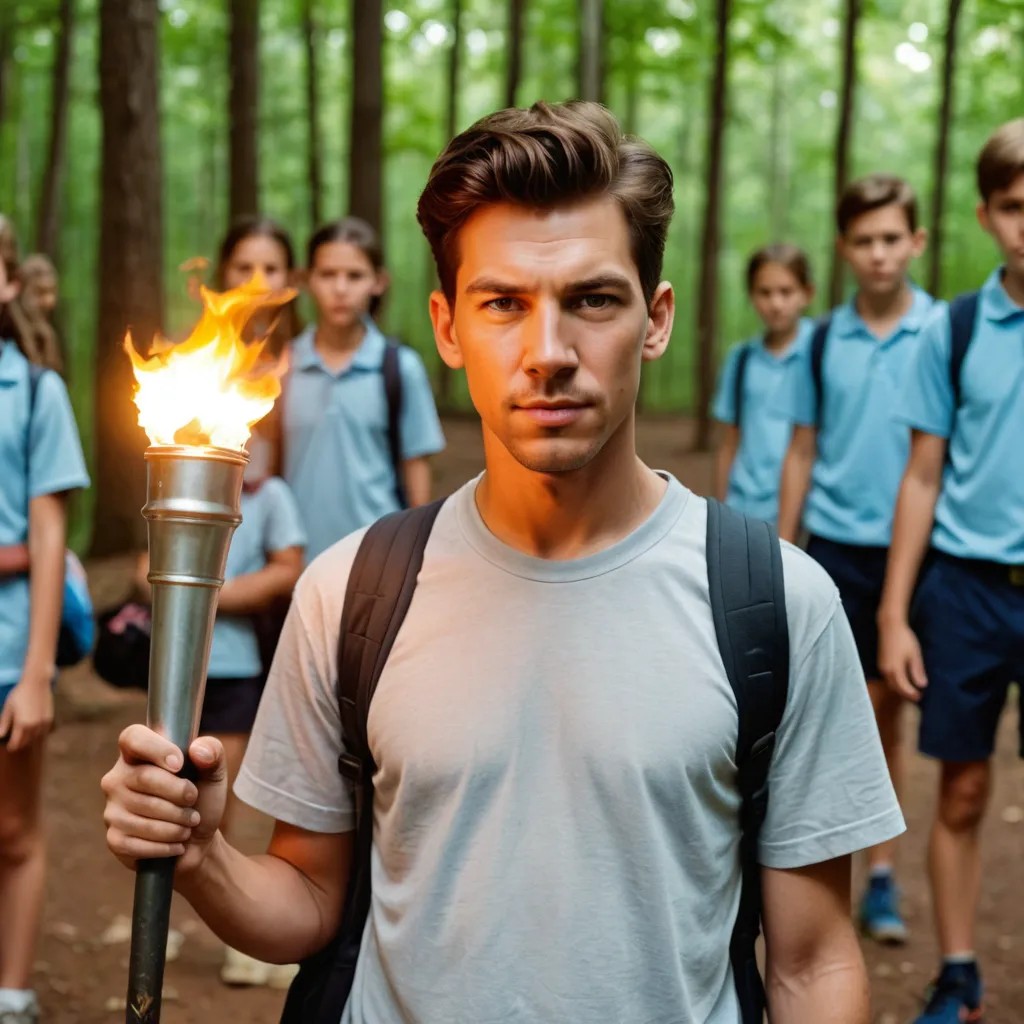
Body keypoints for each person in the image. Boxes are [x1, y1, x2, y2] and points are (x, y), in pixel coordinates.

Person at [102, 102, 904, 1024]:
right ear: (448, 328)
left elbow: (811, 965)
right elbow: (311, 906)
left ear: (657, 317)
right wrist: (200, 855)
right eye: (503, 304)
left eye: (593, 299)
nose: (549, 353)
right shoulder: (351, 591)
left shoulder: (779, 604)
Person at [877, 118, 1024, 1024]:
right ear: (985, 216)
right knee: (962, 787)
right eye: (1014, 208)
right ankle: (960, 973)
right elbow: (922, 475)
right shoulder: (956, 329)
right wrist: (895, 614)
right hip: (966, 590)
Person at [775, 174, 931, 945]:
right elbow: (801, 448)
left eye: (890, 239)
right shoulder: (823, 339)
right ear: (844, 249)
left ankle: (878, 874)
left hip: (916, 553)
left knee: (884, 714)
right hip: (832, 548)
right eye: (863, 241)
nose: (878, 255)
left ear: (916, 242)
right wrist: (780, 544)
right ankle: (814, 865)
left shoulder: (941, 331)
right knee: (826, 711)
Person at [134, 458, 306, 988]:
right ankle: (163, 920)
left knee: (220, 800)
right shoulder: (172, 473)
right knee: (164, 789)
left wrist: (220, 595)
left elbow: (289, 565)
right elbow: (144, 561)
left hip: (236, 668)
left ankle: (238, 936)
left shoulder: (270, 495)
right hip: (175, 666)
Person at [0, 216, 89, 1024]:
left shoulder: (34, 390)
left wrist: (36, 676)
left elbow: (49, 533)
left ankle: (14, 993)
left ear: (7, 284)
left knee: (14, 828)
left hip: (6, 654)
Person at [274, 217, 445, 563]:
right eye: (327, 274)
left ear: (378, 282)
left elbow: (415, 467)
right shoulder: (282, 368)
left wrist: (419, 553)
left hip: (379, 558)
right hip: (296, 561)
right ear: (306, 280)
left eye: (354, 276)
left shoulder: (400, 368)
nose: (340, 288)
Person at [712, 244, 815, 523]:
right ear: (751, 296)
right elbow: (729, 443)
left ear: (807, 293)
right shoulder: (741, 359)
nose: (776, 304)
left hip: (807, 512)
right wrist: (722, 512)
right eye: (765, 293)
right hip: (745, 509)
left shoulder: (821, 352)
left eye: (786, 292)